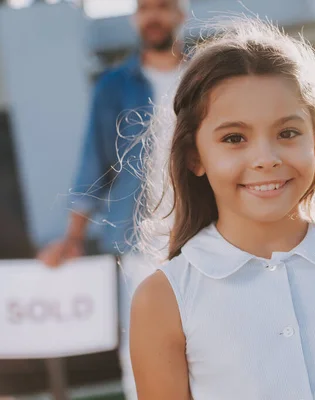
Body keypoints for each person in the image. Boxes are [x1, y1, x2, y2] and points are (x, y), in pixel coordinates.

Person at [129, 17, 315, 400]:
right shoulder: (162, 299)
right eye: (234, 138)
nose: (266, 158)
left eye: (288, 133)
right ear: (194, 156)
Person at [36, 0, 188, 398]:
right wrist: (72, 237)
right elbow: (94, 165)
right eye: (143, 7)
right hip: (140, 241)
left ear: (181, 14)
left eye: (163, 6)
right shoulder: (114, 86)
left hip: (205, 232)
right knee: (143, 349)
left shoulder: (204, 78)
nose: (152, 16)